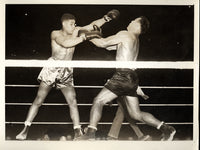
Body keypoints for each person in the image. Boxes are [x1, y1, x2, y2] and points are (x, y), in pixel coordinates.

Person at [16, 10, 120, 140]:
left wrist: (106, 18)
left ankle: (77, 132)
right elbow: (65, 43)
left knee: (72, 101)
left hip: (66, 69)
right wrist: (84, 37)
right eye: (71, 24)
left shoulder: (76, 31)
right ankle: (25, 130)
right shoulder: (55, 33)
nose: (74, 26)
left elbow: (92, 24)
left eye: (74, 24)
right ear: (64, 23)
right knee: (39, 99)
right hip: (52, 68)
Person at [76, 16, 176, 141]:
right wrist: (96, 36)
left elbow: (102, 44)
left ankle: (90, 134)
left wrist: (84, 36)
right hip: (132, 77)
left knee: (98, 100)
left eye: (133, 20)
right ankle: (166, 129)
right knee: (135, 114)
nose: (130, 21)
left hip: (122, 75)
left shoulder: (125, 34)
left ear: (138, 25)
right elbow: (108, 46)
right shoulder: (135, 40)